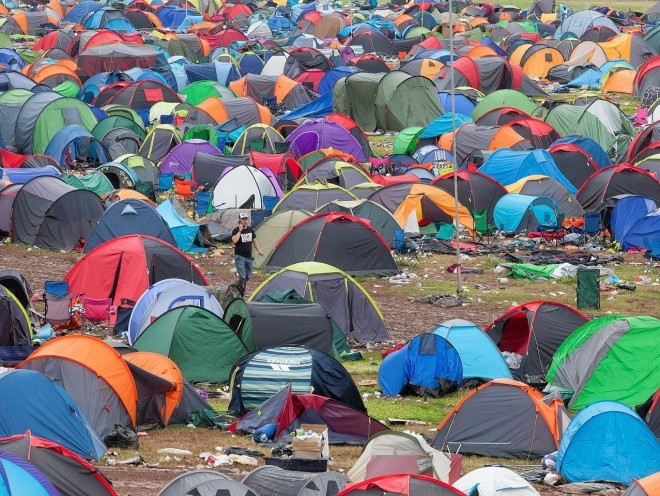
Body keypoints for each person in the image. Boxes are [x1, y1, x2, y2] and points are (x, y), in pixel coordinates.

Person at [231, 212, 263, 295]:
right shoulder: (235, 230)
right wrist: (240, 231)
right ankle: (241, 294)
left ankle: (235, 285)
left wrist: (259, 250)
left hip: (249, 257)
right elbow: (234, 240)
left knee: (248, 276)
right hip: (240, 256)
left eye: (246, 219)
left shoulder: (250, 229)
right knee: (243, 277)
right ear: (240, 220)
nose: (245, 221)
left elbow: (254, 241)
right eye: (243, 219)